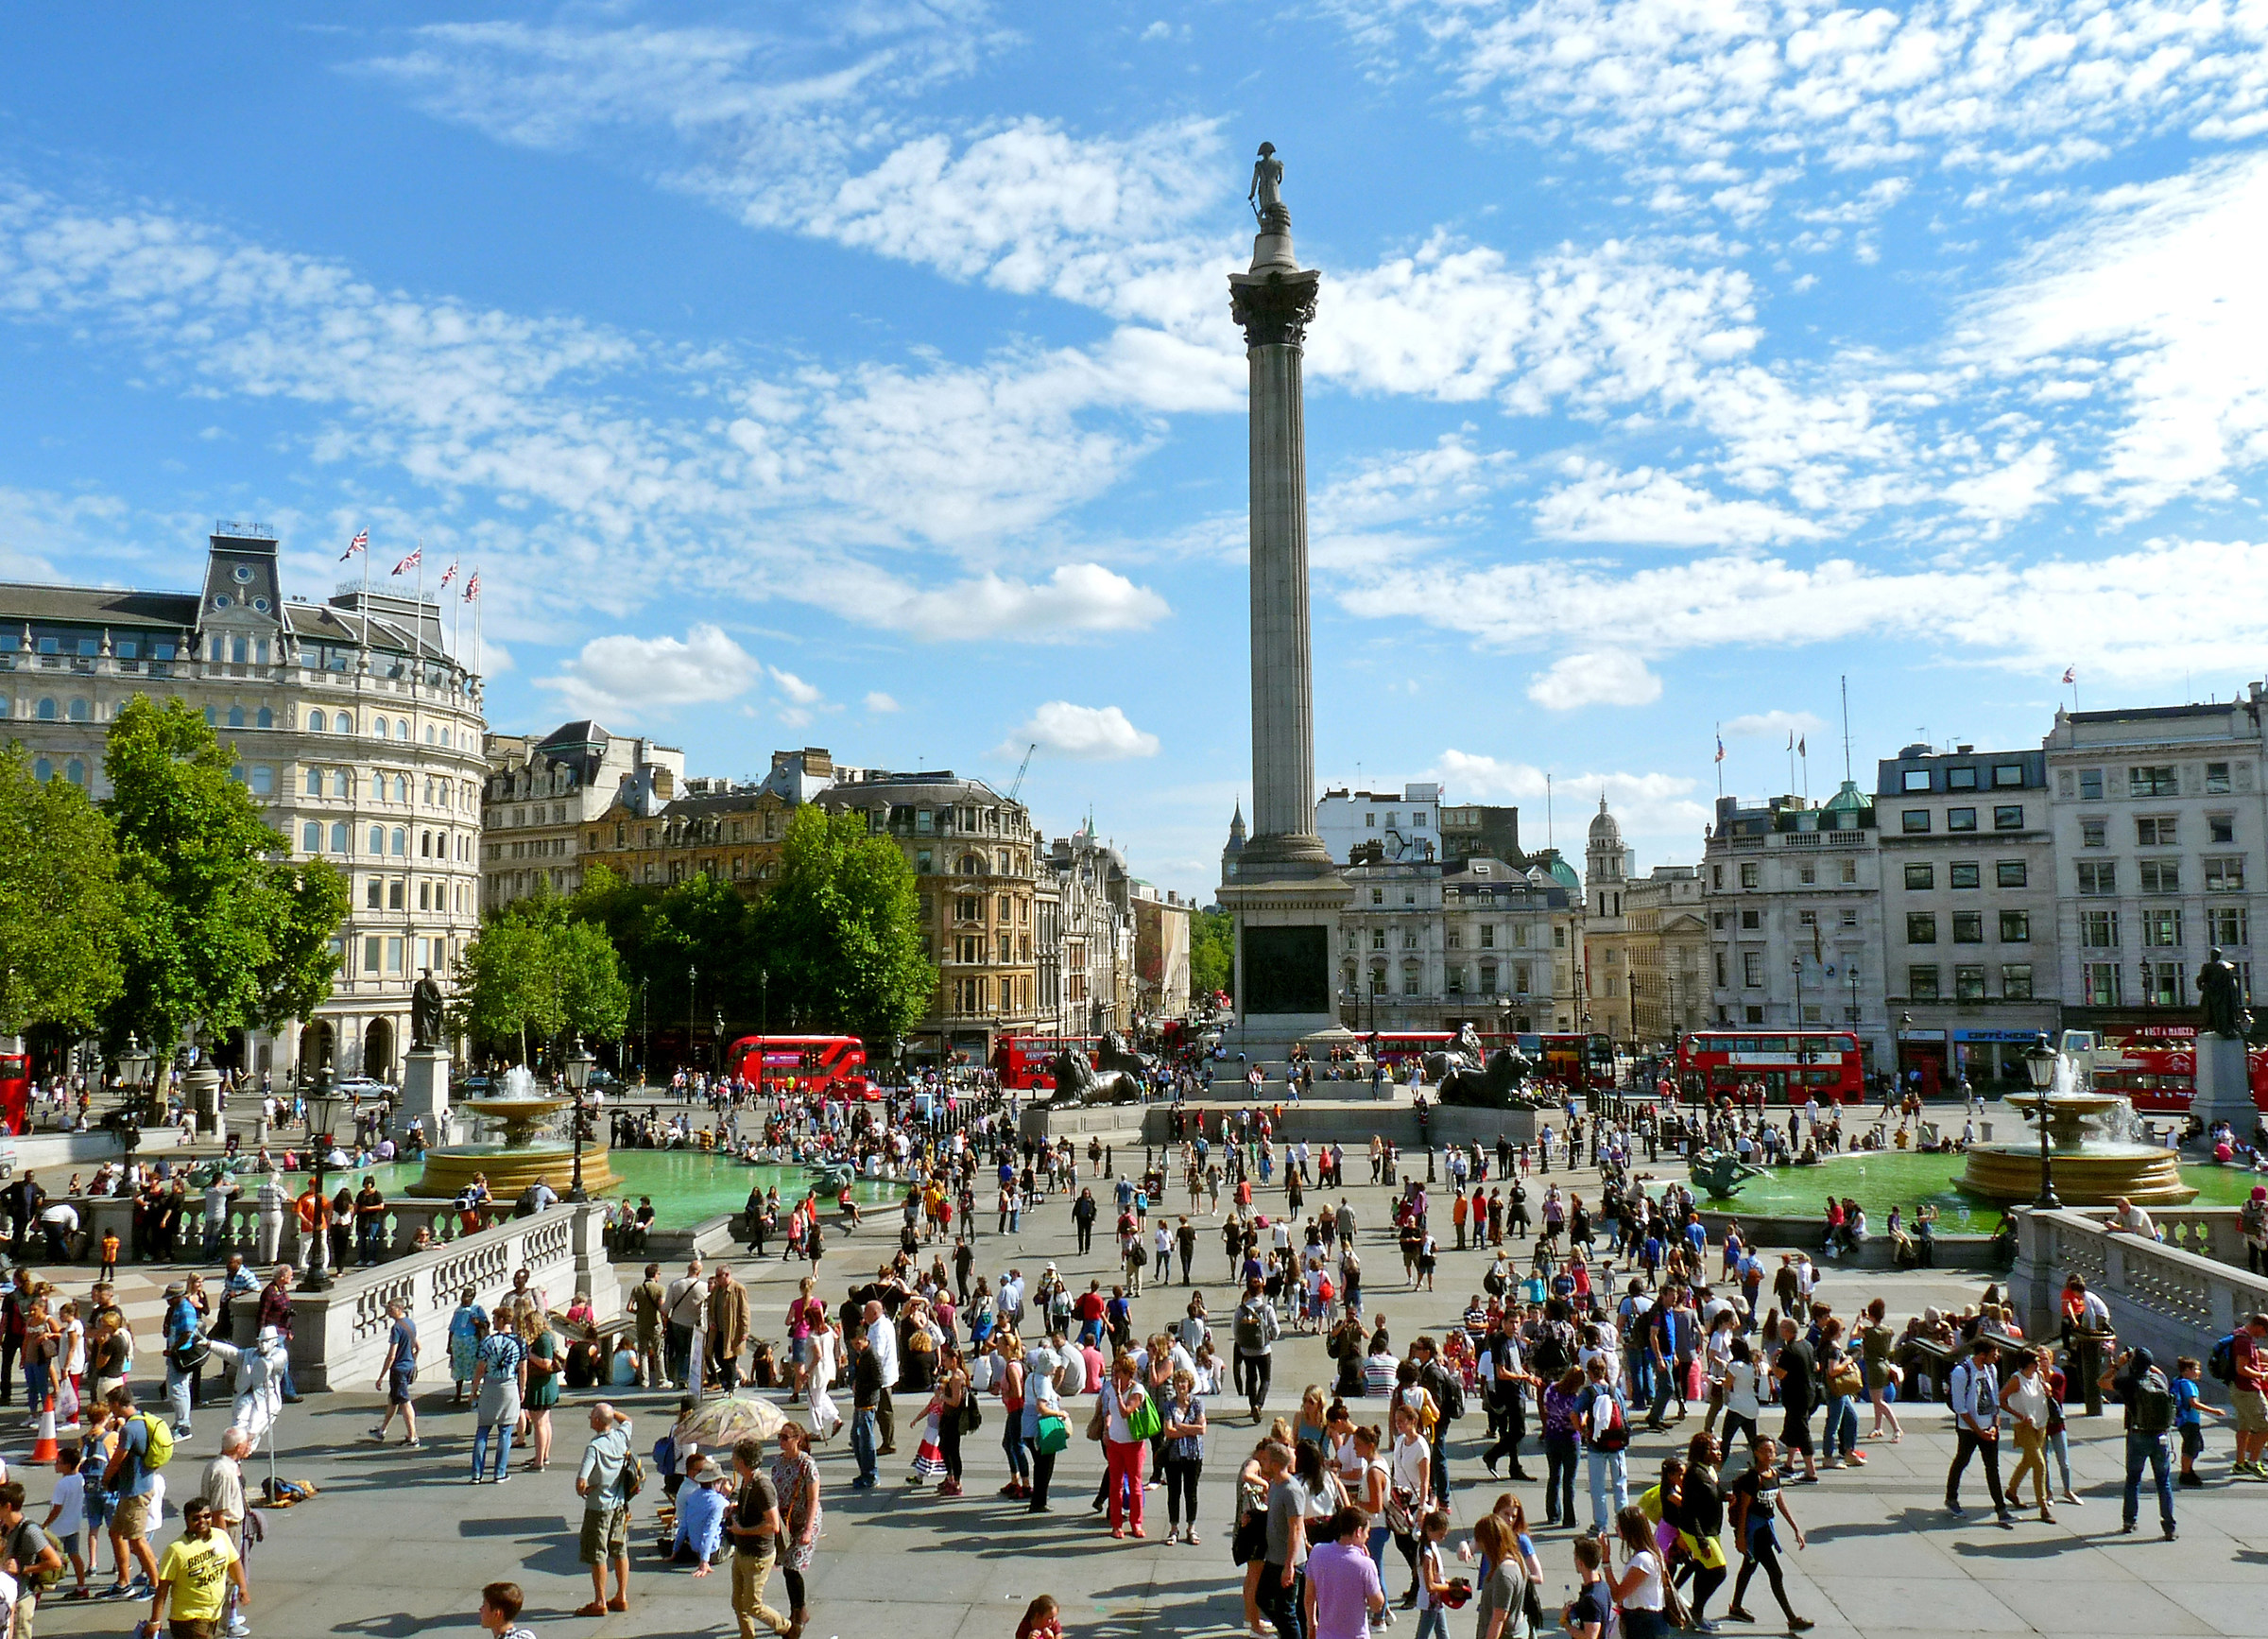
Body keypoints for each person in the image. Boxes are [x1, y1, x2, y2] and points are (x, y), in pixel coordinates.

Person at [1726, 1436, 1812, 1630]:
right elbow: (1744, 1510)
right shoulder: (1752, 1478)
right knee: (1776, 1573)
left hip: (1766, 1530)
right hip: (1756, 1533)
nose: (1769, 1454)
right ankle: (1792, 1618)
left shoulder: (1773, 1474)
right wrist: (1740, 1537)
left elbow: (1779, 1502)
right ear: (1756, 1452)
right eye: (1764, 1450)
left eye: (1771, 1451)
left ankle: (1736, 1606)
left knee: (1749, 1567)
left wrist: (1795, 1527)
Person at [2101, 1346, 2178, 1540]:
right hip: (2161, 1436)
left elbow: (2102, 1382)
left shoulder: (2129, 1382)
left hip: (2138, 1435)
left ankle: (2129, 1521)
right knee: (2163, 1482)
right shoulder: (2161, 1380)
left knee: (2133, 1479)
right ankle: (2169, 1526)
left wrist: (2119, 1365)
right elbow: (2156, 1370)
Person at [726, 1435, 797, 1638]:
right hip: (742, 1551)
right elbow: (751, 1509)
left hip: (758, 1555)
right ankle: (747, 1636)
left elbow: (773, 1525)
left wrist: (743, 1531)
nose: (732, 1460)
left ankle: (787, 1628)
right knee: (738, 1602)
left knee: (752, 1605)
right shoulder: (747, 1481)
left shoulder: (762, 1486)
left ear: (742, 1461)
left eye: (735, 1457)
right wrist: (735, 1509)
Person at [146, 1497, 246, 1639]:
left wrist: (242, 1587)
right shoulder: (176, 1550)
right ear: (187, 1520)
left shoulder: (220, 1537)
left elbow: (234, 1563)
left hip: (216, 1614)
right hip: (189, 1619)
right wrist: (155, 1621)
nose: (202, 1521)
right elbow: (162, 1589)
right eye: (196, 1518)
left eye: (207, 1516)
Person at [574, 1403, 635, 1615]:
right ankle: (621, 1596)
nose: (590, 1418)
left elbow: (581, 1482)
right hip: (619, 1504)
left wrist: (586, 1488)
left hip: (598, 1507)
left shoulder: (594, 1448)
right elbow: (627, 1420)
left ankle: (600, 1601)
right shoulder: (621, 1437)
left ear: (598, 1422)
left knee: (598, 1553)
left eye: (592, 1416)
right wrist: (611, 1412)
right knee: (620, 1550)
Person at [1945, 1337, 2013, 1526]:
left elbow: (1995, 1401)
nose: (1997, 1357)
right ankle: (1951, 1498)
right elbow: (1960, 1408)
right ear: (1982, 1355)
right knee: (1962, 1460)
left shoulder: (1991, 1370)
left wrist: (1994, 1425)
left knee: (1993, 1467)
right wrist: (1978, 1431)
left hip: (1989, 1426)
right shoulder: (1961, 1372)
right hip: (1969, 1429)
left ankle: (2001, 1508)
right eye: (1993, 1354)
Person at [768, 1422, 821, 1638]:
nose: (781, 1441)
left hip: (805, 1519)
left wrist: (808, 1529)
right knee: (788, 1567)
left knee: (791, 1566)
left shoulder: (807, 1464)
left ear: (797, 1439)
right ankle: (800, 1611)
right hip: (786, 1521)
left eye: (785, 1437)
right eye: (779, 1437)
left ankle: (797, 1614)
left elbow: (813, 1499)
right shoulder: (777, 1463)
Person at [1302, 1504, 1384, 1639]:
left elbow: (1309, 1596)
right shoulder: (1365, 1565)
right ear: (1358, 1531)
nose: (1367, 1537)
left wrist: (1311, 1624)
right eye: (1367, 1532)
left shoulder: (1317, 1552)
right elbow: (1376, 1605)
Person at [0, 1479, 61, 1638]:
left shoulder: (29, 1531)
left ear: (7, 1507)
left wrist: (22, 1569)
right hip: (6, 1599)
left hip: (21, 1600)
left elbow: (55, 1562)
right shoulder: (6, 1527)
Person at [470, 1313, 525, 1485]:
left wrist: (474, 1389)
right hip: (509, 1386)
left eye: (495, 1319)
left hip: (490, 1386)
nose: (492, 1322)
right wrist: (522, 1389)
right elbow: (523, 1369)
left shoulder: (487, 1341)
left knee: (483, 1430)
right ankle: (499, 1472)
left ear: (502, 1320)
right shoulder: (519, 1342)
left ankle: (477, 1473)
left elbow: (480, 1368)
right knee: (505, 1431)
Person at [1161, 1367, 1207, 1545]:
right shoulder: (1169, 1405)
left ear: (1189, 1385)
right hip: (1174, 1455)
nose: (1181, 1385)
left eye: (1184, 1382)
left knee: (1191, 1492)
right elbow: (1168, 1431)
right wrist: (1190, 1429)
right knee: (1174, 1493)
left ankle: (1191, 1528)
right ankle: (1173, 1528)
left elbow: (1202, 1429)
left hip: (1194, 1454)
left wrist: (1179, 1426)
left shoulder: (1197, 1403)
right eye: (1178, 1382)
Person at [370, 1299, 421, 1447]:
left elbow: (391, 1355)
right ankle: (382, 1430)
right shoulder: (411, 1324)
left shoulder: (397, 1328)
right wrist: (412, 1361)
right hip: (408, 1366)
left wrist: (381, 1377)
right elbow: (418, 1347)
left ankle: (413, 1437)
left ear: (399, 1309)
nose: (388, 1311)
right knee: (393, 1399)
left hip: (398, 1369)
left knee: (404, 1402)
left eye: (391, 1309)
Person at [1469, 1510, 1526, 1639]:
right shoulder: (1517, 1559)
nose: (1480, 1548)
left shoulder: (1504, 1574)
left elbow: (1498, 1619)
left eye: (1481, 1543)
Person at [2229, 1310, 2268, 1477]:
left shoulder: (2238, 1334)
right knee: (2266, 1426)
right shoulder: (2244, 1342)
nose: (2264, 1335)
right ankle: (2253, 1463)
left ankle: (2240, 1463)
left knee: (2244, 1427)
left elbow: (2245, 1363)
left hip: (2237, 1389)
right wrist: (2262, 1375)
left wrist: (2260, 1365)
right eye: (2264, 1331)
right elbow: (2242, 1368)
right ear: (2258, 1327)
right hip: (2247, 1390)